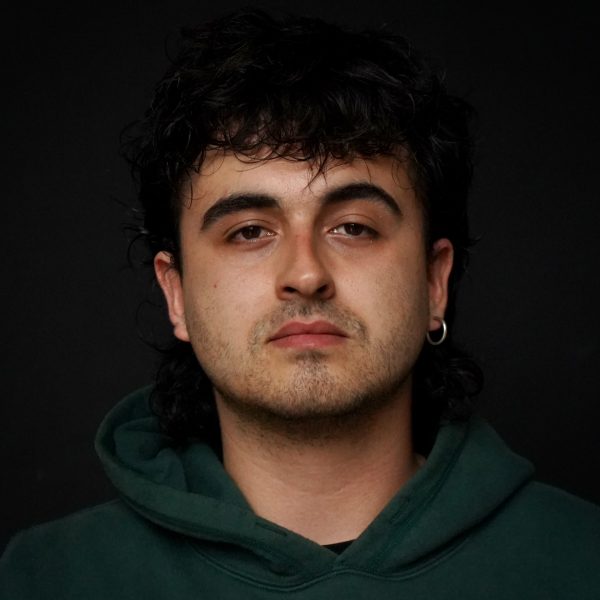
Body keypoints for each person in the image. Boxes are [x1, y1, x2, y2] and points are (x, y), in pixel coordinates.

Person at [2, 8, 599, 599]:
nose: (306, 273)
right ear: (176, 294)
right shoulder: (42, 579)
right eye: (249, 232)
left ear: (434, 283)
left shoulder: (582, 560)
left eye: (354, 227)